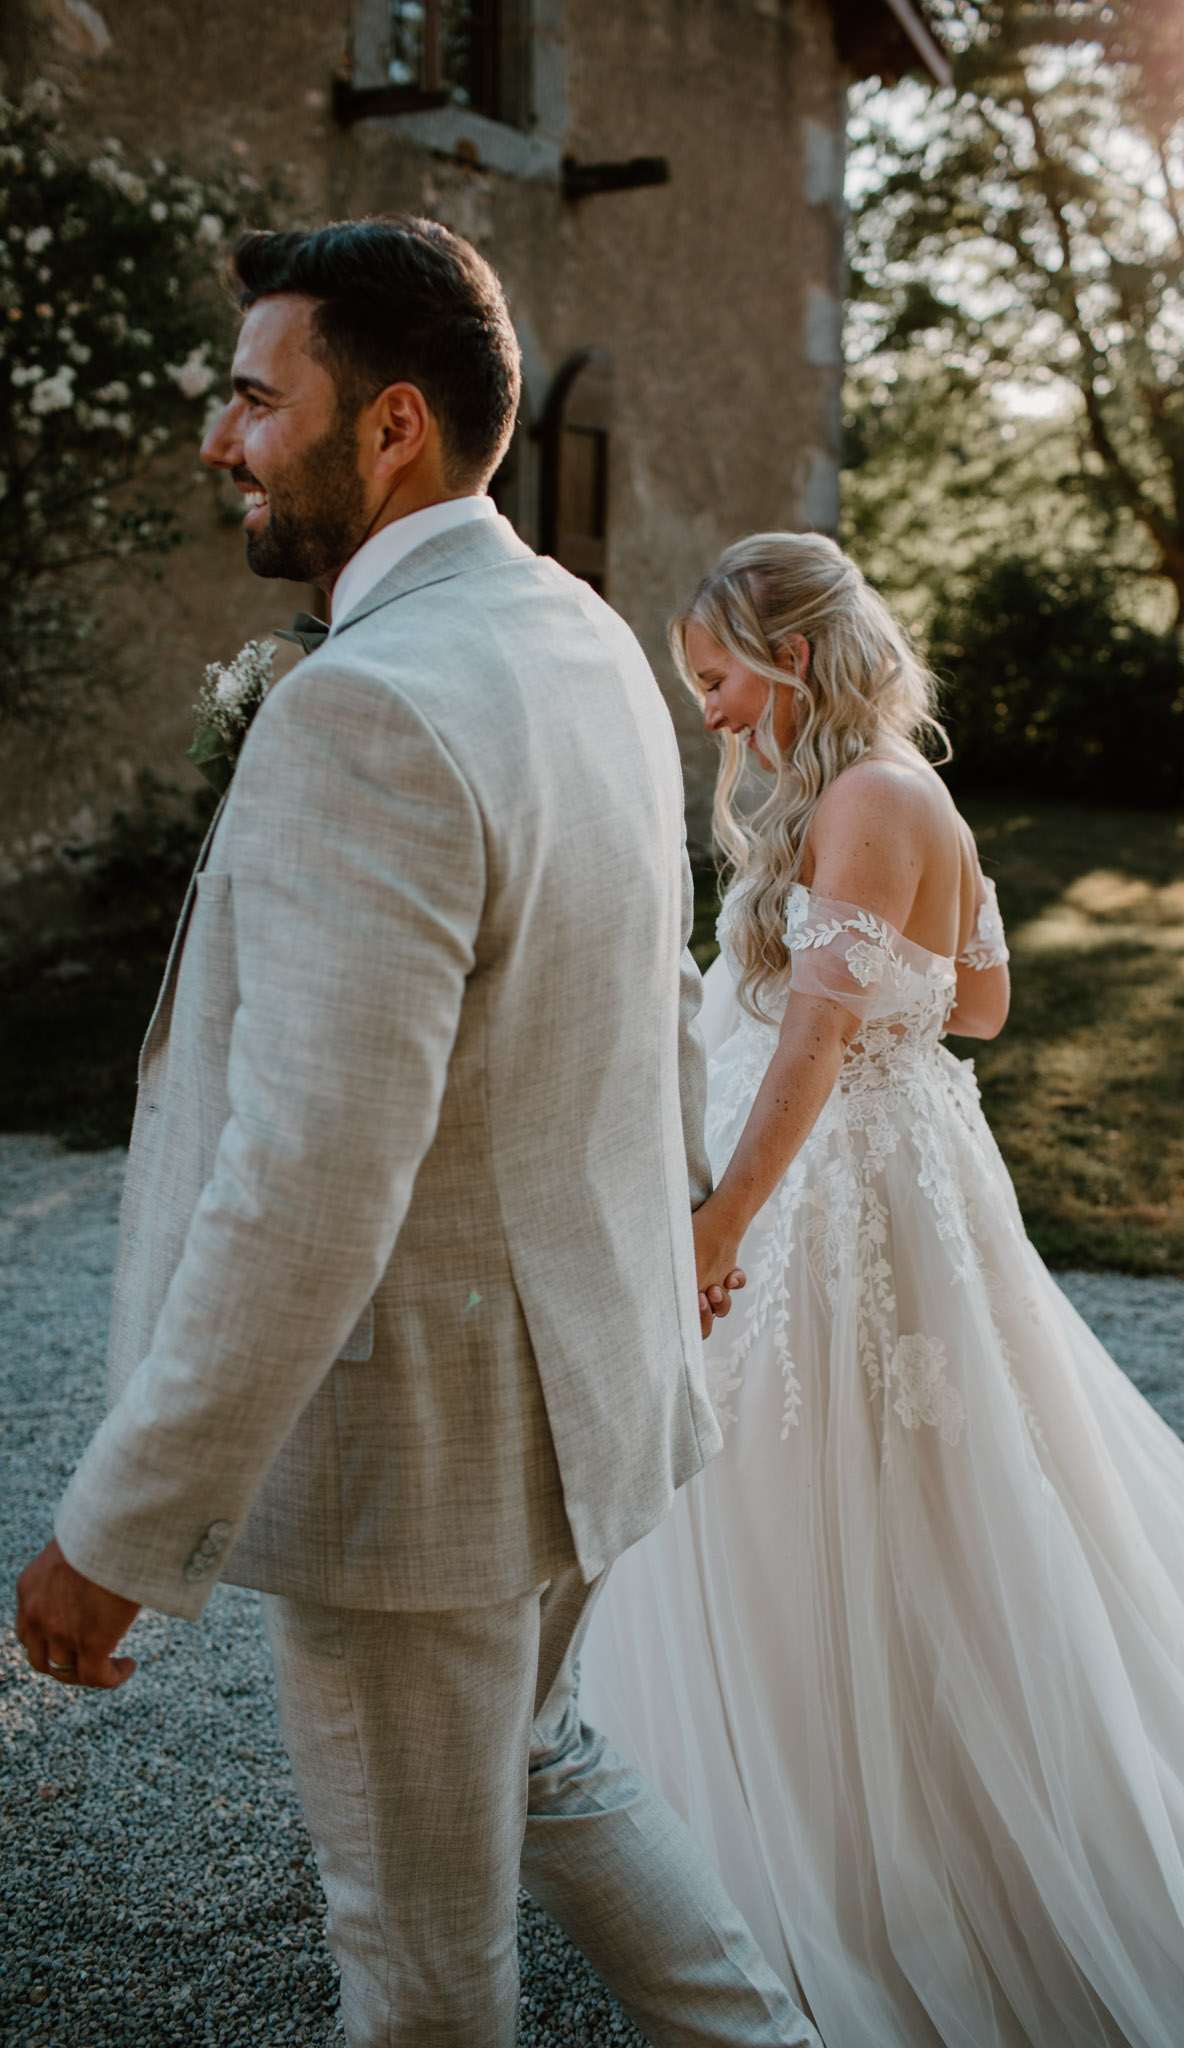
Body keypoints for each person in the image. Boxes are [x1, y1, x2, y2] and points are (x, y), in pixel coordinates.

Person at [14, 218, 818, 2048]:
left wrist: (120, 1524)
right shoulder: (583, 637)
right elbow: (641, 1010)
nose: (218, 440)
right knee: (543, 1765)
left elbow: (307, 1183)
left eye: (248, 397)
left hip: (428, 1459)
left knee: (420, 1973)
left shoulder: (367, 705)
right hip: (576, 1400)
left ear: (383, 428)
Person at [580, 530, 1184, 2048]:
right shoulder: (893, 792)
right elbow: (985, 1006)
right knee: (865, 1491)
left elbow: (814, 1043)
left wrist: (721, 1219)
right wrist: (944, 920)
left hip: (836, 1189)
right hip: (895, 1161)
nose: (711, 713)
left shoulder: (868, 797)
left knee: (850, 1495)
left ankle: (892, 1861)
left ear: (790, 653)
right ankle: (793, 1825)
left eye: (720, 680)